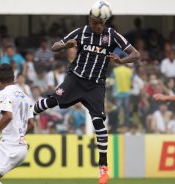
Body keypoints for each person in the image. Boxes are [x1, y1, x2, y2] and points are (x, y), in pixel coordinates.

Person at [33, 1, 140, 183]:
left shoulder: (112, 36)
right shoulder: (81, 32)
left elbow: (136, 54)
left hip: (96, 85)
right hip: (75, 79)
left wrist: (122, 61)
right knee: (52, 101)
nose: (95, 25)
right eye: (92, 22)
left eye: (98, 23)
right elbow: (54, 46)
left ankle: (103, 168)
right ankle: (27, 114)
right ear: (90, 19)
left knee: (99, 123)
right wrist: (66, 45)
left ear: (104, 22)